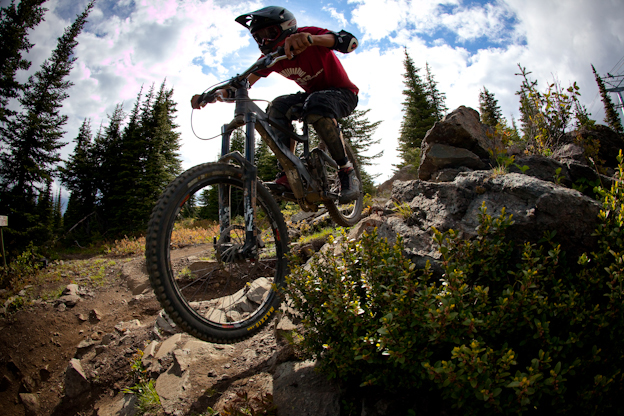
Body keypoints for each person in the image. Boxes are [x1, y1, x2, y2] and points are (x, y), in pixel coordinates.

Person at [191, 6, 361, 203]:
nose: (265, 41)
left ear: (287, 27)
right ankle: (289, 173)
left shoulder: (308, 34)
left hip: (343, 93)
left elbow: (350, 42)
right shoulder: (270, 58)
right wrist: (214, 95)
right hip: (313, 96)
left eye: (270, 33)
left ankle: (346, 170)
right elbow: (244, 82)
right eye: (259, 38)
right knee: (276, 107)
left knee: (317, 103)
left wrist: (310, 40)